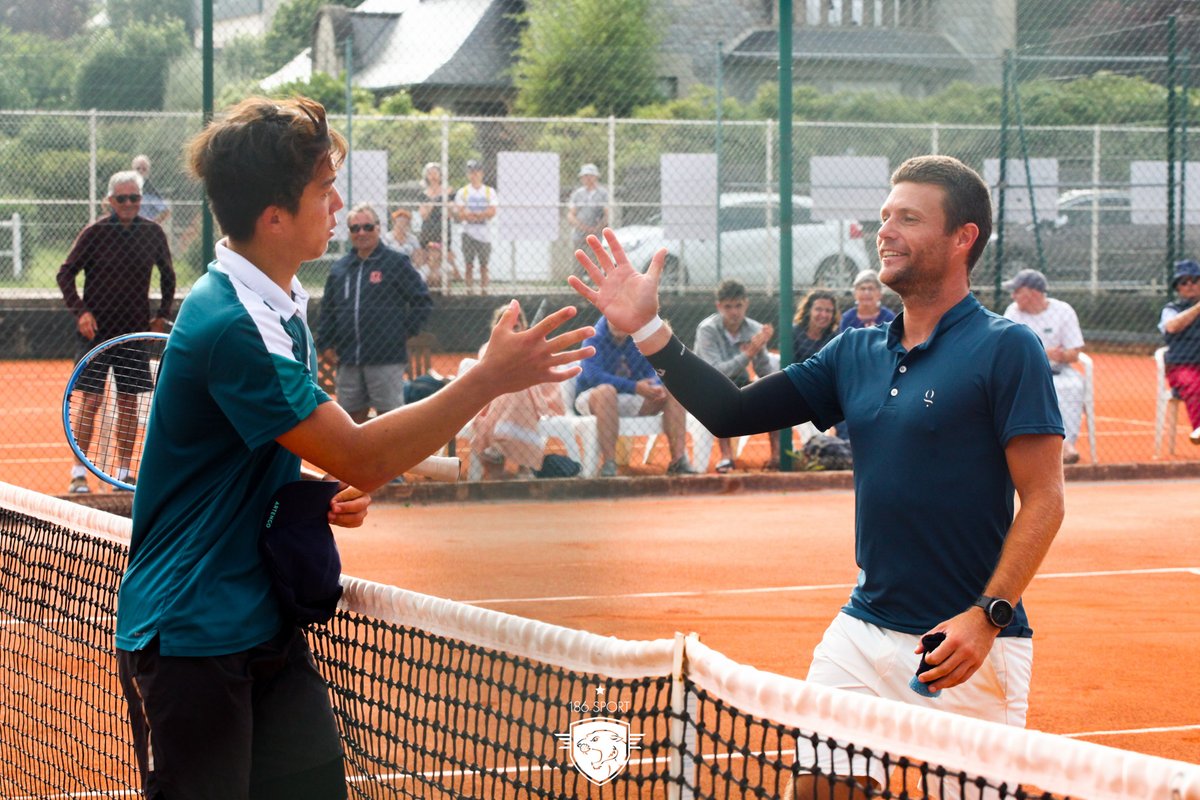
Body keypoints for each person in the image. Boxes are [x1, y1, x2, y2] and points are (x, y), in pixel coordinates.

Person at [115, 95, 593, 800]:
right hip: (193, 632)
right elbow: (362, 454)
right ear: (274, 217)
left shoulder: (278, 304)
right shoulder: (233, 325)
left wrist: (310, 487)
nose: (339, 203)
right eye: (322, 190)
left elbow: (289, 449)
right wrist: (489, 378)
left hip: (260, 616)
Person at [569, 155, 1065, 798]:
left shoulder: (1006, 348)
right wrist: (650, 330)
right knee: (816, 790)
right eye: (884, 216)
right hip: (862, 632)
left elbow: (1045, 499)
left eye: (908, 218)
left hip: (966, 646)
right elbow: (730, 414)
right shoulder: (855, 353)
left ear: (962, 237)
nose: (885, 230)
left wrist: (987, 616)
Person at [57, 169, 175, 494]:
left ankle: (122, 474)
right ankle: (78, 474)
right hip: (96, 334)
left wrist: (161, 316)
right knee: (91, 400)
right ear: (110, 200)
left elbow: (168, 275)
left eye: (134, 198)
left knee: (128, 403)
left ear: (141, 201)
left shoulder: (153, 233)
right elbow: (65, 273)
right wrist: (80, 312)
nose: (128, 203)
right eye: (121, 198)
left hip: (134, 333)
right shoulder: (94, 233)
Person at [319, 202, 433, 423]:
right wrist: (325, 343)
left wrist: (403, 333)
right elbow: (328, 310)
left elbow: (422, 301)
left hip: (386, 360)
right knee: (350, 423)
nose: (362, 233)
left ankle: (390, 460)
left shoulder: (395, 263)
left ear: (379, 228)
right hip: (349, 359)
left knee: (389, 421)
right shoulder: (340, 268)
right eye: (355, 228)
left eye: (367, 227)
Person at [575, 315, 697, 478]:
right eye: (615, 317)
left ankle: (678, 460)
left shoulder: (639, 338)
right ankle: (609, 464)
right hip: (594, 398)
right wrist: (634, 387)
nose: (619, 322)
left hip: (631, 397)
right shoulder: (594, 337)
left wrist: (655, 385)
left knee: (670, 389)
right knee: (607, 391)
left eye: (623, 317)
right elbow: (594, 377)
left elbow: (654, 370)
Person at [469, 304, 565, 480]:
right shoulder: (487, 348)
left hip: (539, 401)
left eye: (516, 326)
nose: (513, 330)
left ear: (523, 326)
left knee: (521, 387)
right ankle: (523, 465)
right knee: (512, 387)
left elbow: (547, 381)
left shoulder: (538, 347)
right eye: (507, 327)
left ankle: (499, 446)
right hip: (495, 401)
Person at [1003, 268, 1088, 464]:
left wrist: (1060, 355)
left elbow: (1074, 352)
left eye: (1017, 290)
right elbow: (1009, 350)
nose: (1013, 295)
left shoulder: (1063, 311)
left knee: (1072, 387)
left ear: (1033, 292)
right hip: (1026, 372)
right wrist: (1046, 353)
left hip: (1060, 371)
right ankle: (1033, 446)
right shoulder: (1012, 312)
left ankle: (1066, 445)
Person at [693, 279, 778, 472]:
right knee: (719, 391)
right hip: (707, 385)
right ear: (719, 306)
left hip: (740, 382)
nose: (734, 312)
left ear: (746, 304)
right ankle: (726, 457)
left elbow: (764, 371)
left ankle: (777, 456)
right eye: (728, 306)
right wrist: (748, 353)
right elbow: (716, 371)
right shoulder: (707, 329)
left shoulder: (754, 328)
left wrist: (761, 349)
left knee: (775, 392)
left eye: (738, 306)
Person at [1159, 258, 1200, 445]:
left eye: (1195, 280)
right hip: (1182, 366)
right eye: (1184, 282)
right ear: (1178, 288)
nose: (1190, 285)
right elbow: (1172, 326)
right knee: (1194, 384)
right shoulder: (1171, 309)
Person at [453, 159, 498, 295]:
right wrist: (480, 214)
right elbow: (460, 213)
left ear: (482, 173)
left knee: (484, 265)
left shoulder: (489, 191)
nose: (474, 175)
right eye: (471, 172)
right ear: (468, 175)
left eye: (477, 172)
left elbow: (492, 212)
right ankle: (469, 291)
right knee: (469, 264)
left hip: (485, 234)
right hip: (468, 233)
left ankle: (484, 291)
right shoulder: (463, 192)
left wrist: (473, 214)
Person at [416, 161, 458, 290]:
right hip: (428, 229)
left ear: (441, 175)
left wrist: (438, 202)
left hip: (443, 229)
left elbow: (451, 212)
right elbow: (424, 214)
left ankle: (446, 288)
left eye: (436, 173)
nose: (433, 176)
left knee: (444, 259)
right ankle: (428, 288)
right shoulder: (423, 194)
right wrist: (436, 201)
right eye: (430, 173)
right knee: (428, 260)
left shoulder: (449, 191)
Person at [567, 163, 609, 251]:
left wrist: (597, 228)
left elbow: (607, 213)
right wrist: (584, 228)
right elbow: (571, 215)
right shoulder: (577, 193)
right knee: (579, 259)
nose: (587, 178)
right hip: (579, 235)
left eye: (590, 176)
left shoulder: (603, 193)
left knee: (596, 259)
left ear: (596, 177)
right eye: (585, 176)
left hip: (597, 235)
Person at [791, 289, 839, 364]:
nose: (824, 315)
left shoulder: (834, 338)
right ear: (808, 311)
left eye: (828, 311)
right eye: (818, 309)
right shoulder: (793, 333)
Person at [132, 155, 170, 225]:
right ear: (132, 170)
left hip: (144, 229)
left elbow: (165, 211)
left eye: (144, 169)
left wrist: (152, 225)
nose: (141, 171)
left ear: (148, 172)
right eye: (138, 168)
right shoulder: (125, 187)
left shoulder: (150, 191)